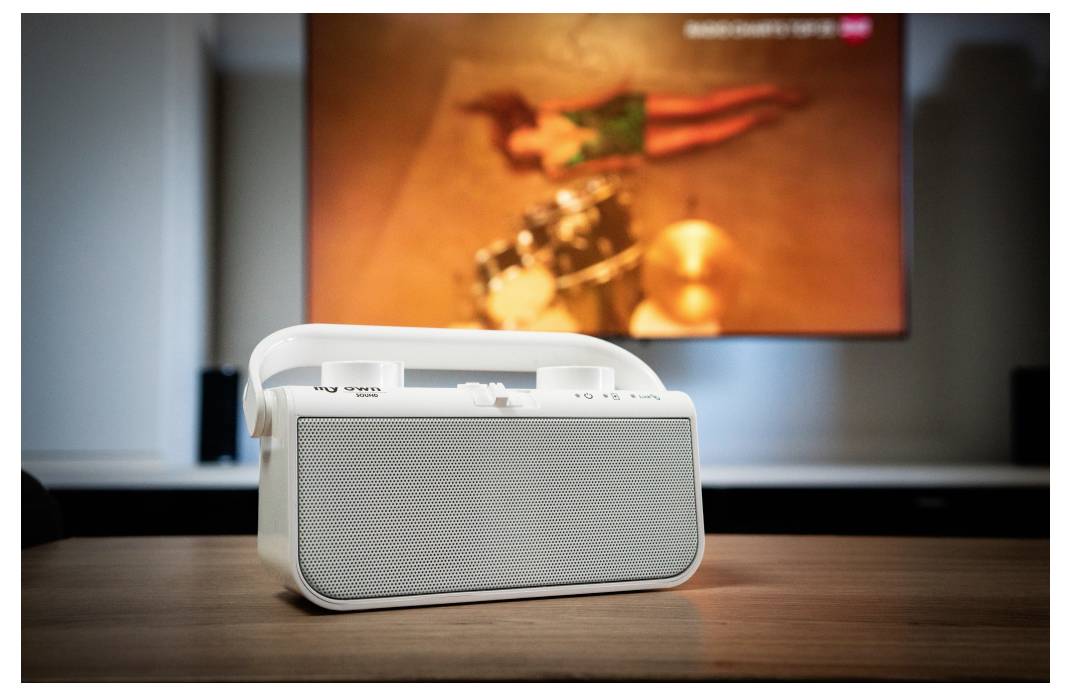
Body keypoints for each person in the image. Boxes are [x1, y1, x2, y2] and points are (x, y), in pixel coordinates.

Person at [463, 83, 804, 179]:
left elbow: (587, 101)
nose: (524, 142)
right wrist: (622, 166)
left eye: (519, 137)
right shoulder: (553, 167)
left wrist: (615, 91)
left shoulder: (547, 111)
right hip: (628, 145)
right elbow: (593, 166)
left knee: (700, 106)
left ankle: (771, 91)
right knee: (697, 137)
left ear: (521, 129)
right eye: (520, 148)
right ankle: (755, 119)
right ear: (524, 155)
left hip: (623, 111)